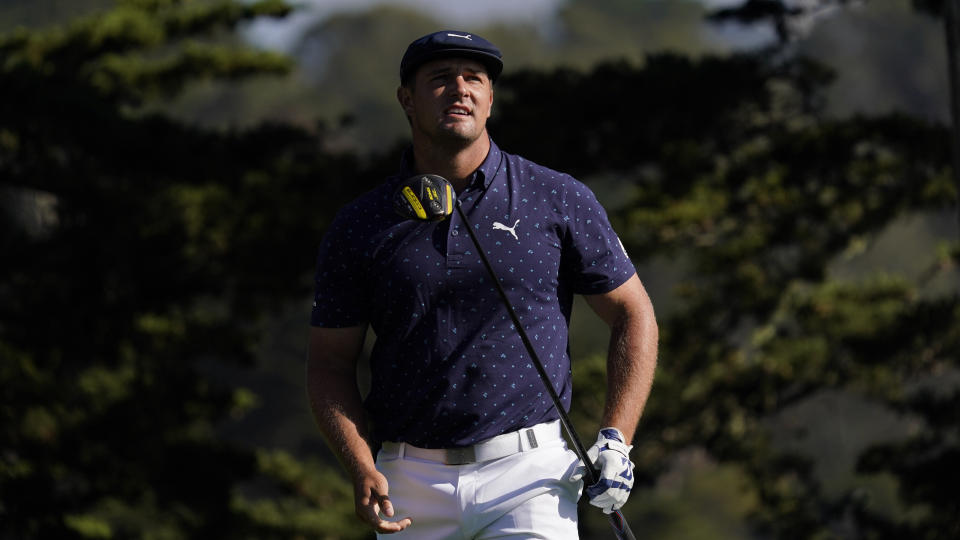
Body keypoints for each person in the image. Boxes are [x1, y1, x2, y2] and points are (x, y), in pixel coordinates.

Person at [307, 29, 658, 539]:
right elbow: (329, 362)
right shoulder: (361, 223)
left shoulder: (556, 197)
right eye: (440, 79)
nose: (460, 89)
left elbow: (633, 313)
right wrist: (361, 465)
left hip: (530, 474)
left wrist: (616, 440)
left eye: (475, 78)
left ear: (491, 98)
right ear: (407, 99)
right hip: (406, 480)